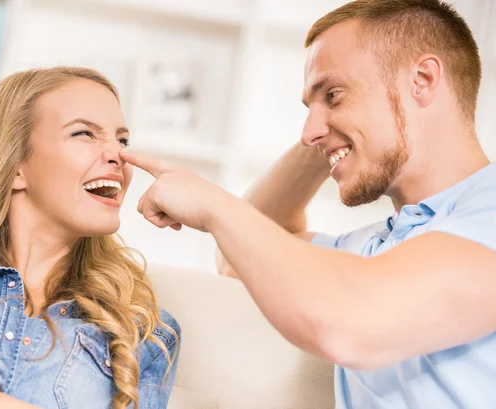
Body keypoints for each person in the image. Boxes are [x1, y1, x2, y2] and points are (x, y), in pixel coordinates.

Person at [119, 0, 496, 407]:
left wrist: (210, 202)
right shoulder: (385, 245)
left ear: (422, 79)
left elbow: (354, 324)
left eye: (333, 94)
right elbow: (240, 253)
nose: (306, 132)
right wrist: (333, 132)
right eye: (309, 109)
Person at [0, 67, 180, 409]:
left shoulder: (145, 334)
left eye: (122, 140)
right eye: (84, 134)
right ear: (15, 165)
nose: (118, 156)